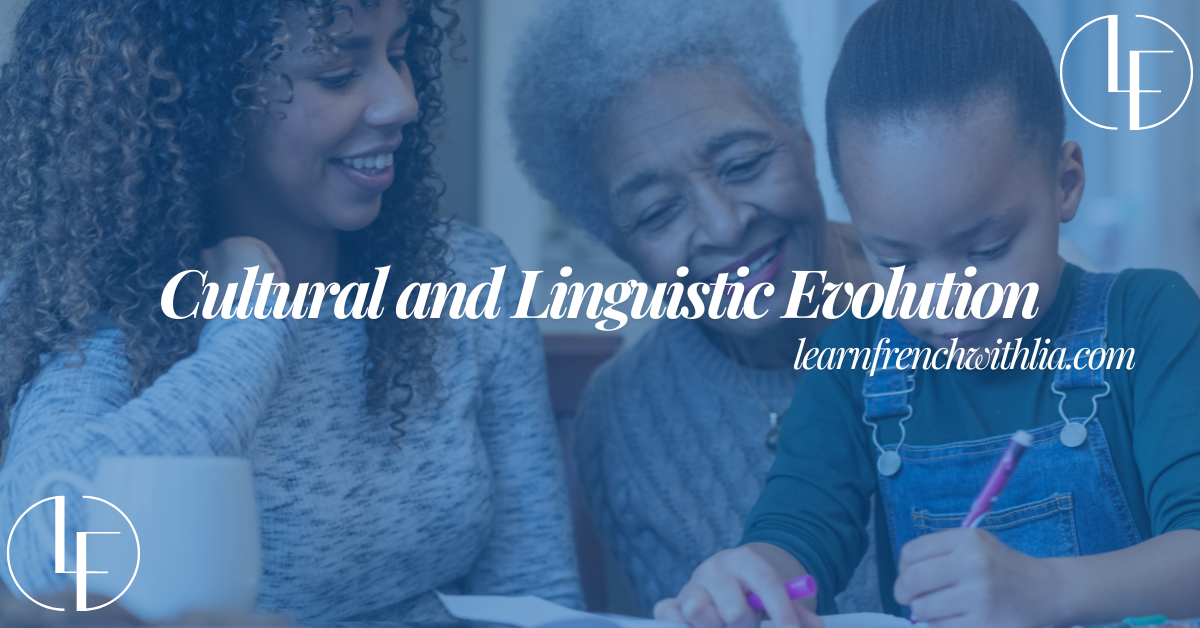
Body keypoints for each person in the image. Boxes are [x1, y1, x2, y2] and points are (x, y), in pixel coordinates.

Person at [0, 0, 581, 622]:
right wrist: (248, 333)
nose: (401, 103)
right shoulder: (111, 330)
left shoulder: (467, 277)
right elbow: (41, 559)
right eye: (337, 73)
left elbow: (538, 600)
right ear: (199, 103)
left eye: (401, 55)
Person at [659, 0, 1200, 626]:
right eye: (896, 261)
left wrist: (1044, 589)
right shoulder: (854, 358)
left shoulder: (1152, 319)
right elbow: (798, 534)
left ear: (1065, 182)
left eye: (987, 249)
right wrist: (747, 582)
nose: (947, 298)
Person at [506, 0, 880, 614]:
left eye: (743, 165)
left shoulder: (981, 303)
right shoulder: (626, 423)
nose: (725, 226)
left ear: (805, 140)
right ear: (618, 245)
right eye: (657, 212)